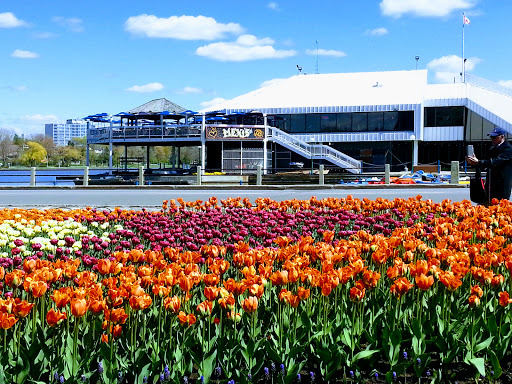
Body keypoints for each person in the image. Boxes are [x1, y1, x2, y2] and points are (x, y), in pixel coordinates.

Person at [466, 127, 512, 203]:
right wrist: (473, 162)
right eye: (491, 137)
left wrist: (479, 162)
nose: (492, 139)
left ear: (502, 137)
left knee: (501, 207)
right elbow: (485, 163)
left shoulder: (508, 149)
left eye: (494, 137)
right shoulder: (492, 149)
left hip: (502, 185)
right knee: (487, 205)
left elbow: (495, 162)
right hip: (491, 184)